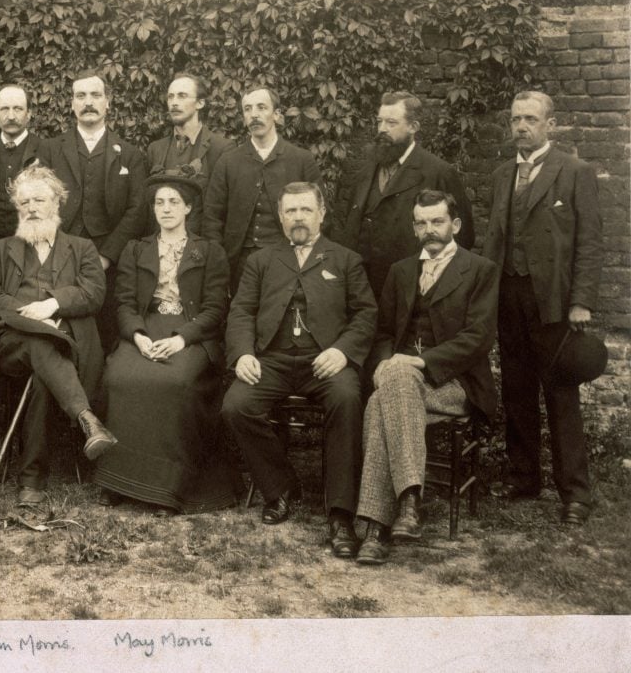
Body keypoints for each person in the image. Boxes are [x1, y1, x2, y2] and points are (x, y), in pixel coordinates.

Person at [221, 182, 376, 558]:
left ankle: (340, 513)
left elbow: (366, 314)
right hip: (272, 360)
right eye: (291, 212)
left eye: (306, 210)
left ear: (321, 213)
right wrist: (243, 354)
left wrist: (343, 352)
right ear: (280, 217)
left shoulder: (344, 259)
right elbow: (242, 311)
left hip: (324, 360)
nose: (298, 218)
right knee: (235, 406)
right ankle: (280, 488)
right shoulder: (261, 259)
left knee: (346, 399)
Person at [355, 190, 498, 565]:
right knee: (387, 390)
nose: (429, 230)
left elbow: (478, 338)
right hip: (405, 383)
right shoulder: (401, 271)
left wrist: (421, 362)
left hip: (455, 384)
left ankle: (373, 526)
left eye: (437, 222)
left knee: (387, 392)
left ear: (456, 225)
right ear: (414, 226)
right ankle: (405, 508)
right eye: (421, 222)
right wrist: (384, 361)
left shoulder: (480, 270)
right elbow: (384, 332)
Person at [482, 91, 603, 525]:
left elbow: (589, 243)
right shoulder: (501, 175)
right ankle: (523, 478)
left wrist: (581, 302)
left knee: (561, 393)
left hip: (553, 302)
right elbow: (495, 240)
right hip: (508, 296)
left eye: (531, 119)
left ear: (550, 125)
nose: (521, 127)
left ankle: (575, 493)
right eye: (515, 119)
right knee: (516, 389)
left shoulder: (574, 172)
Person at [95, 173, 241, 516]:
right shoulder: (136, 248)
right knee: (120, 377)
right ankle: (118, 480)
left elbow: (215, 309)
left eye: (174, 201)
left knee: (174, 383)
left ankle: (169, 487)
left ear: (188, 207)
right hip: (146, 329)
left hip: (191, 335)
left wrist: (181, 340)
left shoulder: (209, 251)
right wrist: (138, 336)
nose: (166, 208)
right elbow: (125, 303)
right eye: (159, 202)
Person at [0, 165, 116, 516]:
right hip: (13, 344)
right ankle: (87, 420)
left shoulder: (82, 248)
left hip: (69, 343)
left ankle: (31, 481)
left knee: (42, 371)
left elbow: (95, 293)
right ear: (17, 208)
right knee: (40, 345)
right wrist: (29, 313)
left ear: (57, 204)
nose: (32, 207)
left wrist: (53, 304)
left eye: (40, 199)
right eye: (25, 202)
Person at [40, 69, 147, 350]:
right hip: (57, 256)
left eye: (95, 95)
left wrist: (106, 257)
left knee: (105, 332)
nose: (88, 102)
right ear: (72, 104)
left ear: (108, 102)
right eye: (81, 96)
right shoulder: (50, 150)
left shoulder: (130, 154)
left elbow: (137, 210)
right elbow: (38, 202)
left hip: (110, 262)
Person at [338, 91, 474, 298]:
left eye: (391, 123)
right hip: (365, 289)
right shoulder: (365, 173)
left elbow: (462, 236)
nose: (382, 129)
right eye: (379, 121)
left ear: (413, 127)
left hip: (413, 290)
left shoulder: (437, 172)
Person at [203, 86, 323, 286]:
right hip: (239, 263)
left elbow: (321, 214)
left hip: (290, 259)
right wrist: (219, 259)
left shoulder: (301, 160)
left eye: (261, 108)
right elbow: (212, 217)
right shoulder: (228, 162)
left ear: (276, 114)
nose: (254, 115)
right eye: (248, 109)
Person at [145, 73, 235, 234]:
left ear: (200, 103)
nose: (174, 102)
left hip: (204, 246)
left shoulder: (221, 148)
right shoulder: (155, 149)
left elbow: (223, 210)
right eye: (170, 97)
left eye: (182, 96)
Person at [0, 84, 52, 239]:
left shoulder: (46, 151)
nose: (10, 116)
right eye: (4, 109)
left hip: (33, 240)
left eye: (18, 109)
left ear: (29, 113)